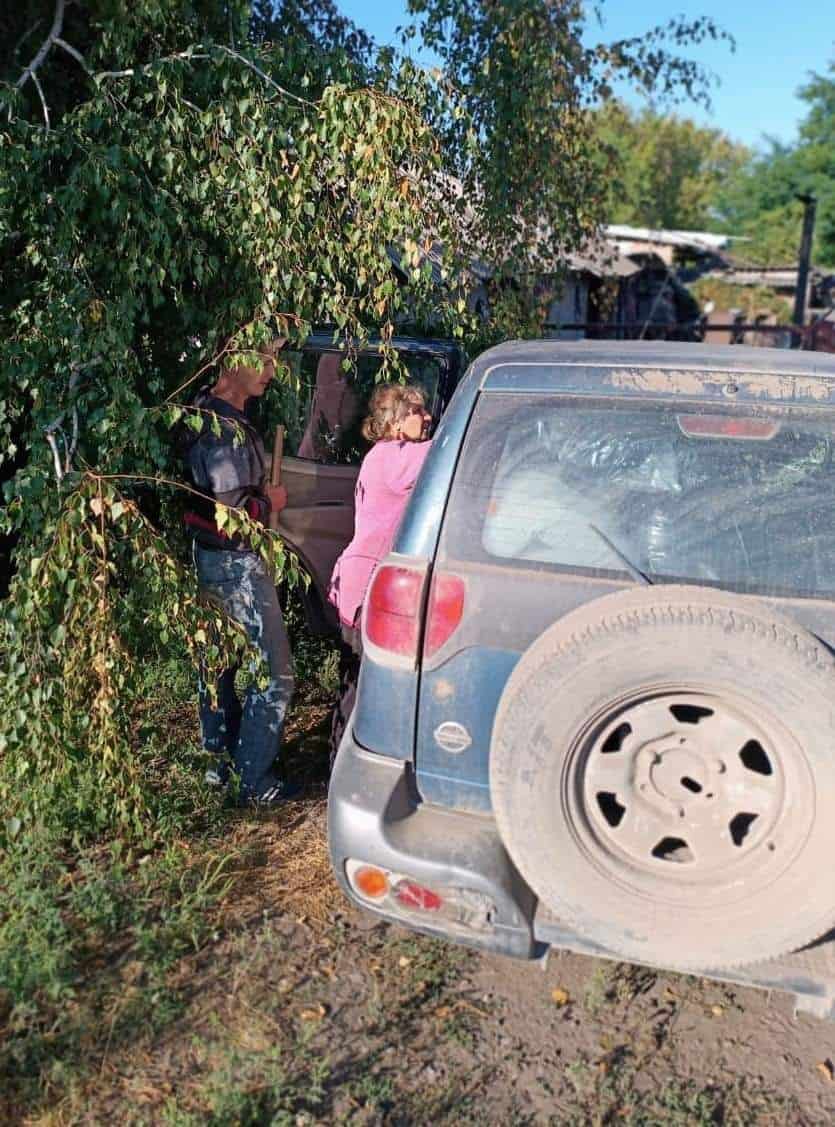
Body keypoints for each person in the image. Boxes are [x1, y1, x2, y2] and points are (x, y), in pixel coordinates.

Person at [182, 338, 296, 805]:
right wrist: (271, 502)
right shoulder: (223, 428)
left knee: (218, 663)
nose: (273, 370)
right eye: (266, 359)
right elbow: (229, 509)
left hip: (207, 555)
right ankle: (252, 780)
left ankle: (220, 763)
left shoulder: (202, 410)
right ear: (236, 361)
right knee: (276, 675)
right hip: (233, 561)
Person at [328, 382, 432, 758]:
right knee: (365, 688)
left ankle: (339, 763)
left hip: (355, 581)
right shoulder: (398, 455)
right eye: (418, 412)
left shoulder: (379, 455)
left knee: (353, 682)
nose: (427, 418)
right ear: (397, 421)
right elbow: (452, 449)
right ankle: (350, 767)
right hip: (367, 587)